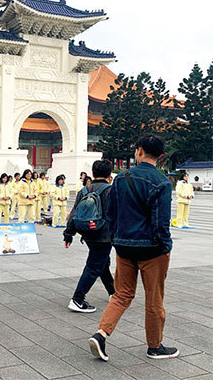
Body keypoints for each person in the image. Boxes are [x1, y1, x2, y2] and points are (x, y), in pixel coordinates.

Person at [89, 135, 179, 362]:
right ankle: (154, 346)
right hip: (151, 250)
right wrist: (165, 246)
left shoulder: (120, 179)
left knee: (121, 295)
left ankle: (101, 334)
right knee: (154, 299)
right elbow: (161, 223)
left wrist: (117, 239)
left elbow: (111, 214)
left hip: (124, 247)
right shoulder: (162, 183)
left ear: (138, 151)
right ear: (161, 156)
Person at [63, 160, 115, 313]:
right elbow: (118, 215)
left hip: (87, 232)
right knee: (94, 266)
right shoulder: (111, 191)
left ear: (92, 174)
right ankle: (77, 299)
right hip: (104, 235)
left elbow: (73, 213)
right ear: (109, 175)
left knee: (102, 263)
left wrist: (68, 234)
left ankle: (113, 292)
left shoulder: (84, 191)